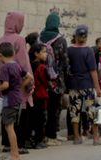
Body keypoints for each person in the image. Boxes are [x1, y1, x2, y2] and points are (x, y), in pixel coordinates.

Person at [0, 11, 34, 155]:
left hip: (5, 81)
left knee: (6, 115)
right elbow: (24, 63)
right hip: (18, 83)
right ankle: (18, 146)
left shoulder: (1, 39)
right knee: (20, 114)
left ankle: (6, 144)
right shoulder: (19, 39)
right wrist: (29, 83)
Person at [0, 42, 32, 160]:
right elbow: (29, 76)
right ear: (13, 53)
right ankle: (14, 153)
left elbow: (5, 85)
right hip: (17, 98)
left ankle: (15, 154)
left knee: (9, 127)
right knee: (11, 126)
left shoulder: (5, 67)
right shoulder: (17, 65)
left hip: (9, 100)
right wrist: (20, 86)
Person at [67, 25, 101, 145]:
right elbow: (93, 70)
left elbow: (67, 68)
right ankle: (96, 138)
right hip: (87, 85)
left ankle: (77, 137)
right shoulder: (89, 51)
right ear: (86, 37)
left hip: (73, 86)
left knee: (74, 112)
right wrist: (97, 88)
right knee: (91, 111)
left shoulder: (69, 50)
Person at [39, 11, 69, 146]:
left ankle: (43, 135)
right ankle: (52, 135)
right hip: (56, 80)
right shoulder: (61, 40)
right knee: (54, 107)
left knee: (43, 108)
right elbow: (65, 62)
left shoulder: (40, 38)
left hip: (42, 78)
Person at [29, 43, 50, 149]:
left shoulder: (30, 65)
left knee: (33, 119)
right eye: (44, 52)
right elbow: (46, 82)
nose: (46, 54)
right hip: (40, 95)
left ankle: (31, 139)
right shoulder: (41, 67)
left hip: (32, 96)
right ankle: (38, 141)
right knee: (40, 120)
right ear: (36, 54)